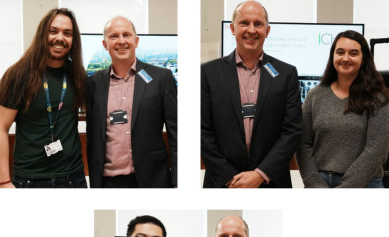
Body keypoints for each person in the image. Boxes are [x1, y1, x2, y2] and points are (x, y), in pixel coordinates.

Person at [201, 1, 302, 188]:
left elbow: (292, 131)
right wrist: (230, 178)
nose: (251, 30)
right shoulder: (208, 73)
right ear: (232, 28)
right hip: (222, 183)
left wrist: (260, 175)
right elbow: (201, 131)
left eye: (258, 24)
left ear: (267, 30)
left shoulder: (286, 73)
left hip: (271, 182)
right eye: (244, 23)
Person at [0, 8, 87, 188]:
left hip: (73, 178)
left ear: (73, 40)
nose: (60, 38)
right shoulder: (18, 74)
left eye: (67, 33)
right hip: (30, 180)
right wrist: (4, 181)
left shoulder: (77, 75)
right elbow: (0, 128)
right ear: (42, 34)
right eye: (53, 31)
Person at [86, 17, 177, 188]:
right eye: (113, 36)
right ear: (105, 44)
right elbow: (92, 138)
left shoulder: (161, 78)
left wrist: (178, 180)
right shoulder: (94, 83)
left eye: (126, 35)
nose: (121, 41)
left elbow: (176, 133)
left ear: (136, 41)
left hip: (153, 179)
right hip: (108, 183)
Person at [296, 30, 389, 188]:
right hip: (319, 184)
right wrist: (315, 185)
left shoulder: (378, 98)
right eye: (340, 52)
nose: (345, 58)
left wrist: (344, 190)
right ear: (333, 56)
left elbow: (377, 149)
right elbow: (303, 144)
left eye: (353, 53)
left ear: (363, 58)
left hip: (365, 185)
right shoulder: (314, 96)